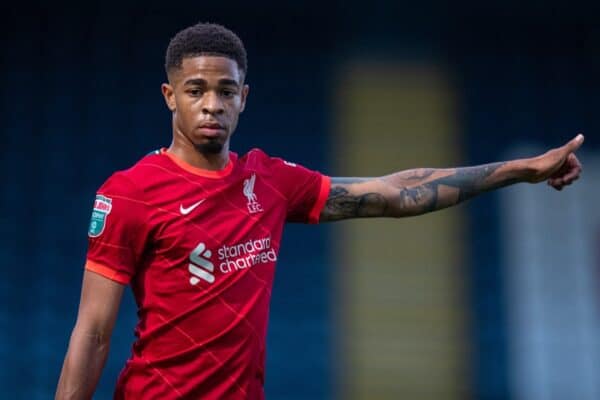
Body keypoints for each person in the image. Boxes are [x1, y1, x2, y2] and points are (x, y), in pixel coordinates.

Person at [55, 22, 584, 400]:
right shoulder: (130, 193)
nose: (211, 103)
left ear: (245, 98)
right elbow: (94, 331)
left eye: (226, 90)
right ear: (171, 96)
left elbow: (395, 193)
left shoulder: (268, 180)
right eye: (195, 90)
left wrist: (520, 170)